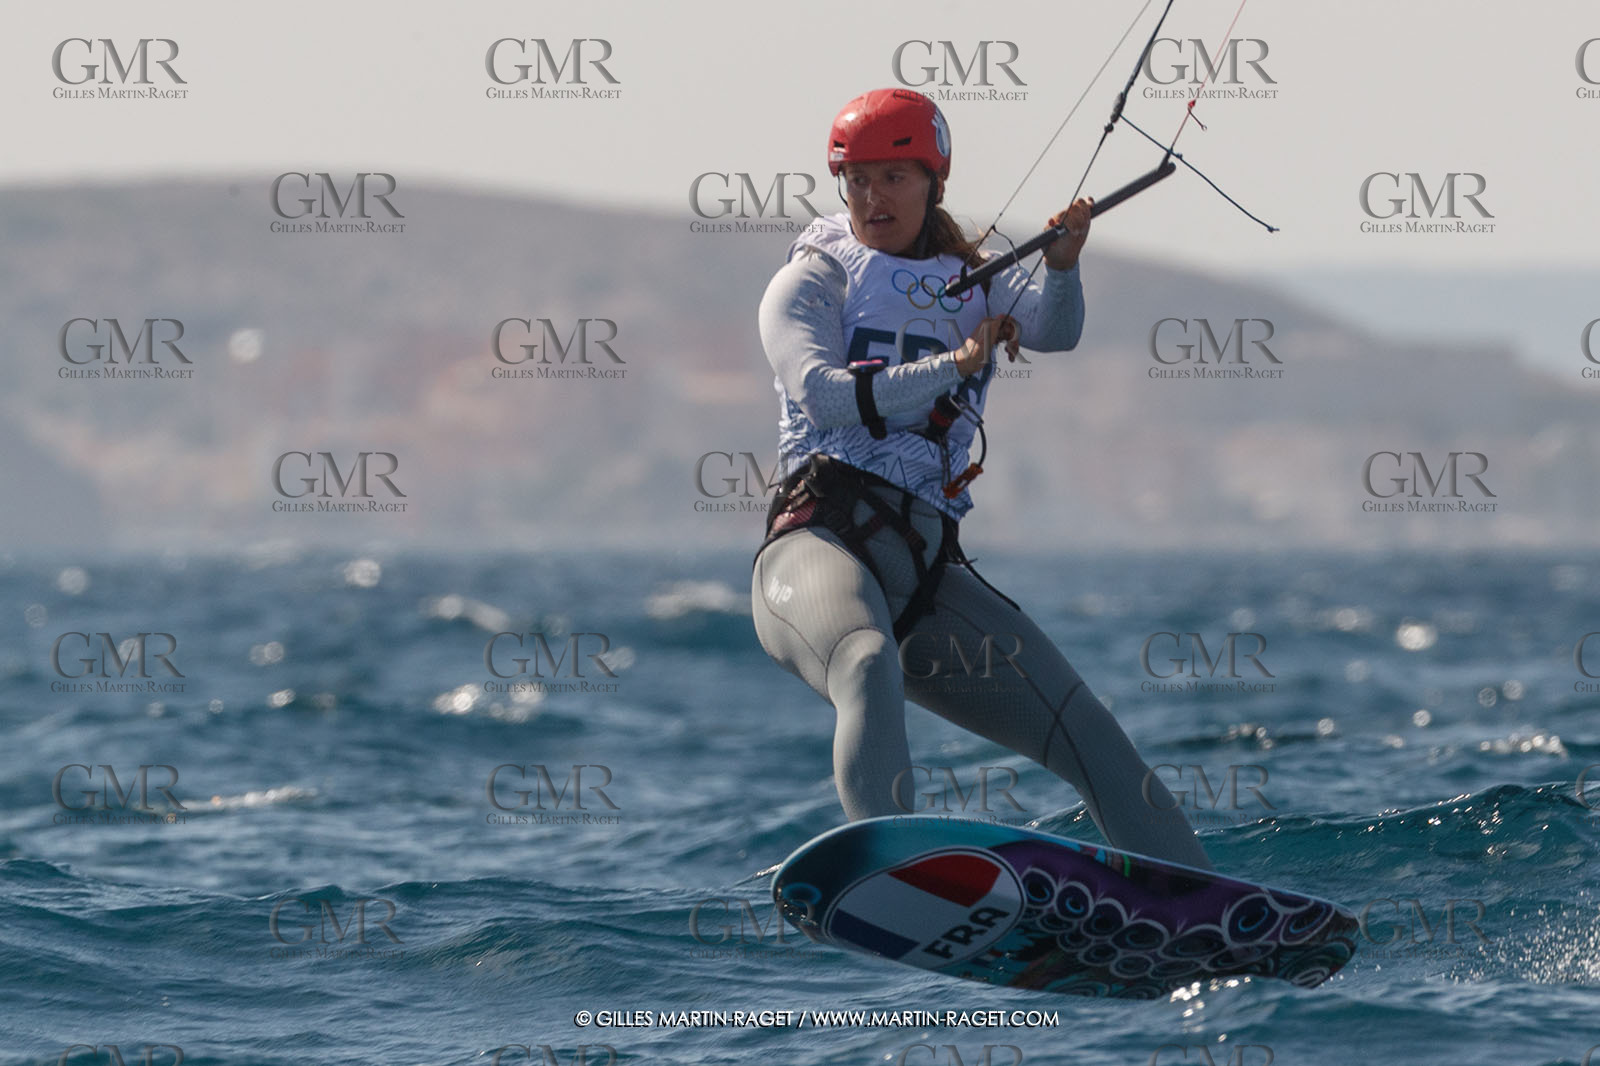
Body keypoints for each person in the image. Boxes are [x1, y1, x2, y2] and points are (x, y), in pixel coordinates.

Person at [749, 88, 1213, 872]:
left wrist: (1061, 266)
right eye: (857, 179)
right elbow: (824, 396)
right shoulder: (812, 277)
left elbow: (1056, 330)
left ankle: (1201, 902)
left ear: (934, 181)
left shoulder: (973, 275)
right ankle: (896, 875)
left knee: (1085, 728)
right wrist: (955, 363)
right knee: (865, 662)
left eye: (893, 178)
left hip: (925, 567)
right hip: (818, 544)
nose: (872, 197)